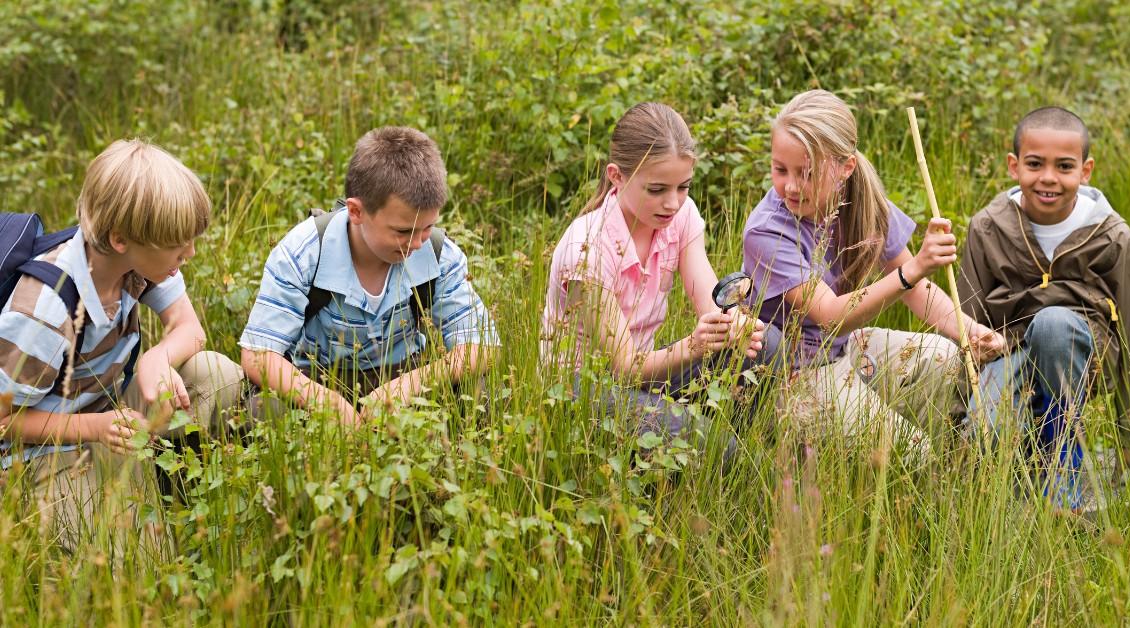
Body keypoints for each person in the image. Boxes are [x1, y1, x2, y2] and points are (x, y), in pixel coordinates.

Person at [0, 139, 243, 556]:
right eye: (177, 244)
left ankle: (164, 479)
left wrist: (157, 359)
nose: (191, 253)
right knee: (142, 565)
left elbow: (188, 327)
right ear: (120, 240)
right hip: (38, 452)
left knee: (215, 376)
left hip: (108, 415)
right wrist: (95, 429)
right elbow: (4, 422)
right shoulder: (43, 310)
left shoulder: (141, 265)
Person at [742, 90, 1005, 462]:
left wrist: (966, 329)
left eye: (807, 173)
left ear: (845, 168)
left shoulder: (863, 202)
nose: (790, 186)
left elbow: (918, 291)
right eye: (779, 169)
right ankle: (909, 458)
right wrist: (913, 270)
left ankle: (952, 457)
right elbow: (831, 315)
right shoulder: (766, 232)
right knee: (909, 453)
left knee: (947, 360)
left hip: (845, 350)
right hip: (790, 373)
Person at [957, 106, 1130, 508]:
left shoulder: (1112, 235)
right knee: (982, 432)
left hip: (1084, 353)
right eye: (1034, 164)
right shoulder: (988, 227)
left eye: (1064, 166)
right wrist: (961, 409)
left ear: (1085, 171)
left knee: (1051, 325)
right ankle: (1027, 452)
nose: (1048, 178)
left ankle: (1063, 465)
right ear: (1014, 166)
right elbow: (963, 318)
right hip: (1009, 352)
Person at [541, 102, 767, 442]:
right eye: (657, 190)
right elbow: (624, 368)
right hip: (581, 388)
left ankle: (734, 438)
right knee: (703, 439)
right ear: (616, 176)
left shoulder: (680, 215)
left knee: (767, 346)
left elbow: (709, 297)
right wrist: (694, 345)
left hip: (647, 372)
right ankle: (715, 446)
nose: (673, 203)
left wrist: (733, 323)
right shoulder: (585, 250)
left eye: (683, 187)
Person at [240, 126, 498, 423]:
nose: (416, 244)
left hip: (404, 378)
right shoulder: (304, 252)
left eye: (427, 228)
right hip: (316, 383)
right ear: (356, 212)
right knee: (260, 412)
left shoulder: (439, 253)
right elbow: (259, 354)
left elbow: (483, 346)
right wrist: (330, 405)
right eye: (403, 231)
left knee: (475, 390)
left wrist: (412, 384)